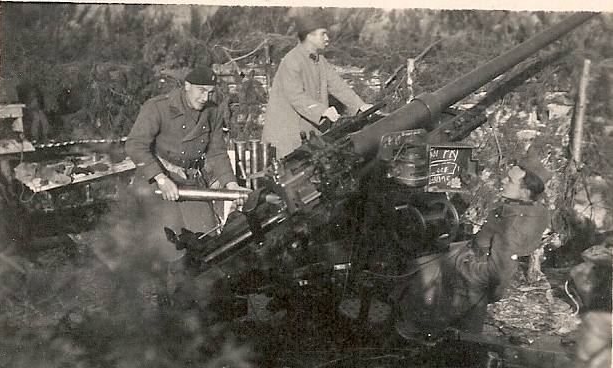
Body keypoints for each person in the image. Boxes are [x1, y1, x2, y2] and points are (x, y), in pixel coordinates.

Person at [393, 148, 553, 337]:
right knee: (420, 268)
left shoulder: (515, 224)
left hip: (473, 269)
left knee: (424, 290)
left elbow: (501, 270)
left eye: (509, 181)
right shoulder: (530, 208)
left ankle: (414, 334)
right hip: (473, 255)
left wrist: (484, 284)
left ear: (525, 192)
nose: (503, 181)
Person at [125, 66, 248, 280]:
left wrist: (231, 185)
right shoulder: (159, 107)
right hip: (157, 182)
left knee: (208, 239)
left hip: (190, 182)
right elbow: (135, 145)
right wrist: (161, 179)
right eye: (200, 90)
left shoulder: (213, 111)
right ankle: (166, 300)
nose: (205, 97)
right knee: (170, 247)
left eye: (210, 92)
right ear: (187, 86)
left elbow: (217, 152)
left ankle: (200, 297)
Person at [262, 12, 373, 158]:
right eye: (323, 34)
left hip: (307, 134)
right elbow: (296, 97)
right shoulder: (291, 61)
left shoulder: (320, 60)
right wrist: (323, 111)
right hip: (286, 139)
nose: (327, 38)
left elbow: (338, 86)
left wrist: (360, 105)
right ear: (310, 36)